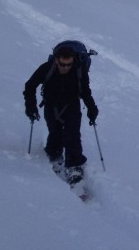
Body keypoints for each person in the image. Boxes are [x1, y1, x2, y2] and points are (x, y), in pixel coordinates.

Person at [23, 44, 99, 183]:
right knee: (55, 132)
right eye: (62, 64)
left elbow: (85, 91)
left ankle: (75, 165)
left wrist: (92, 108)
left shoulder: (79, 70)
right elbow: (30, 86)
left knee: (72, 134)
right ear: (56, 60)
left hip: (72, 105)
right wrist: (31, 106)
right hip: (51, 105)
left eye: (68, 64)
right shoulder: (46, 68)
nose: (65, 67)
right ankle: (54, 156)